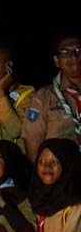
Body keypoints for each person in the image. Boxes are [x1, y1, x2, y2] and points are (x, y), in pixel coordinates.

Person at [23, 33, 81, 162]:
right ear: (57, 61)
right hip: (63, 176)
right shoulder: (43, 97)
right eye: (65, 52)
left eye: (79, 51)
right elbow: (33, 148)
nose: (74, 57)